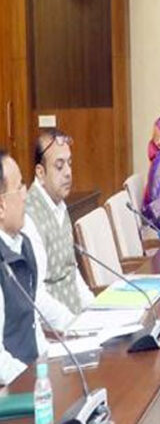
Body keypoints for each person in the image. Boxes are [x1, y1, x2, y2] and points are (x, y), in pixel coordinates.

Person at [0, 150, 73, 384]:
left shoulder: (23, 243)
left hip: (36, 379)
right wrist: (36, 384)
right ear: (1, 206)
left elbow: (33, 324)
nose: (25, 195)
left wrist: (51, 363)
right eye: (19, 187)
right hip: (14, 390)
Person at [21, 129, 94, 315]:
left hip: (79, 320)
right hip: (57, 327)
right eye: (59, 166)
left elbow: (72, 271)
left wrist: (94, 309)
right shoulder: (29, 217)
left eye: (70, 164)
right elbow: (37, 296)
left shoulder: (60, 205)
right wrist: (73, 323)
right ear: (40, 172)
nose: (68, 173)